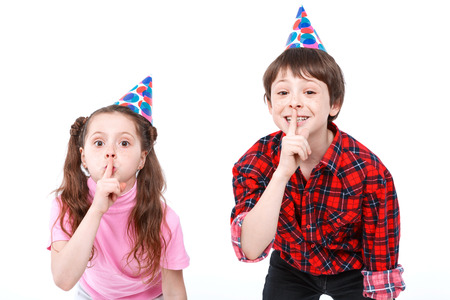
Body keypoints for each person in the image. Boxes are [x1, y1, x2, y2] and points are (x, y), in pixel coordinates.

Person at [230, 6, 405, 300]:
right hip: (290, 266)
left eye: (309, 92)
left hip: (351, 270)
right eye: (283, 93)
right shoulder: (255, 160)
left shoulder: (368, 169)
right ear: (270, 105)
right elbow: (250, 247)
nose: (295, 103)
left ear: (334, 104)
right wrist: (282, 173)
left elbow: (381, 248)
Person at [48, 76, 189, 300]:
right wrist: (97, 209)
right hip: (92, 295)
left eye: (124, 143)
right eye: (99, 142)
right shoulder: (66, 204)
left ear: (142, 159)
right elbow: (63, 280)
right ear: (83, 157)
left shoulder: (165, 219)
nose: (110, 152)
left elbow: (174, 290)